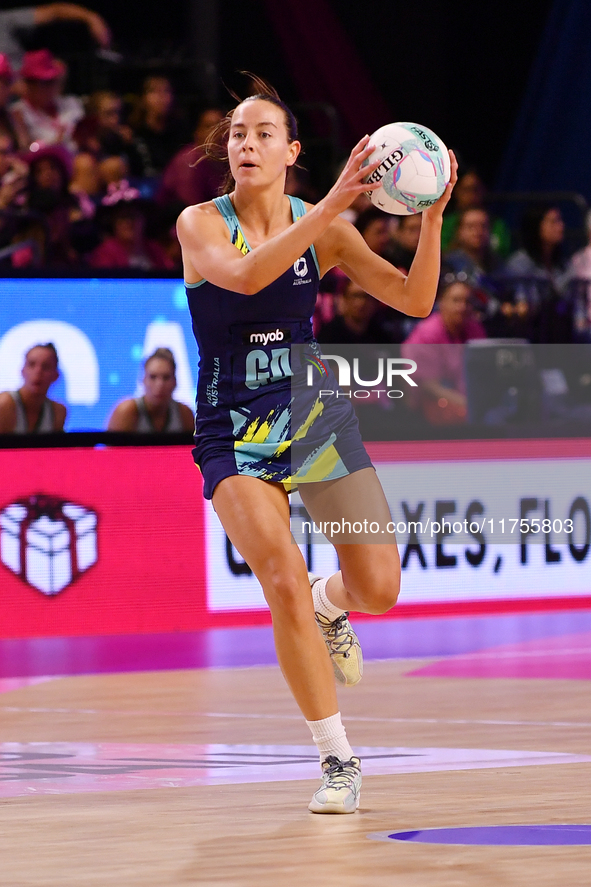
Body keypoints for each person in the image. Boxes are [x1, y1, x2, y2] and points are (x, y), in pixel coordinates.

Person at [176, 76, 457, 814]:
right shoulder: (199, 224)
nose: (246, 144)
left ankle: (331, 606)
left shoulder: (325, 228)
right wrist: (333, 203)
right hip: (230, 426)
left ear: (291, 151)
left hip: (311, 414)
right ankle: (337, 759)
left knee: (380, 591)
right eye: (237, 133)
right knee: (277, 571)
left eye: (263, 133)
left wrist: (430, 220)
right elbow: (241, 279)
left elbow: (413, 299)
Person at [401, 276, 486, 425]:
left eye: (467, 302)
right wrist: (469, 405)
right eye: (456, 300)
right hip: (427, 408)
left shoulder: (474, 328)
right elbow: (429, 386)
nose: (462, 307)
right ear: (441, 303)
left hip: (467, 403)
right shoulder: (427, 333)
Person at [10, 49, 84, 153]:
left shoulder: (71, 104)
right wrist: (54, 144)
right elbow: (25, 151)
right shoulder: (19, 113)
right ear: (29, 85)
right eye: (44, 82)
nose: (50, 87)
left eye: (53, 80)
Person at [107, 347, 194, 433]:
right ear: (143, 380)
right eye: (153, 377)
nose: (160, 384)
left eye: (166, 377)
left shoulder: (185, 414)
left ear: (175, 382)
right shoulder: (125, 412)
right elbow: (111, 447)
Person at [0, 4, 111, 70]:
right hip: (13, 94)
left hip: (31, 90)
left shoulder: (4, 20)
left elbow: (55, 12)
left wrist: (91, 18)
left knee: (57, 65)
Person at [0, 342, 66, 432]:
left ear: (56, 375)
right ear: (22, 371)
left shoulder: (58, 412)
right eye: (31, 364)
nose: (38, 372)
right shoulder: (4, 404)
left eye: (46, 367)